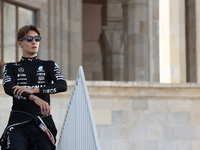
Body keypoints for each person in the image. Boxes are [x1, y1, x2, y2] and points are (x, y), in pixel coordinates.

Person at [0, 24, 67, 150]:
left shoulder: (49, 65)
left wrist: (35, 90)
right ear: (20, 43)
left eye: (37, 39)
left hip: (43, 123)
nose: (34, 42)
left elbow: (62, 85)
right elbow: (9, 88)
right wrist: (33, 97)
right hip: (18, 123)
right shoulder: (10, 67)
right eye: (29, 39)